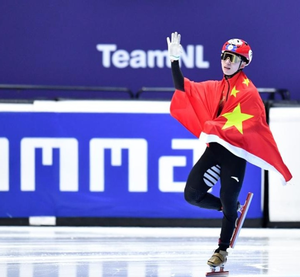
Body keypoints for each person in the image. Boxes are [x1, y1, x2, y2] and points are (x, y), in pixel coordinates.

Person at [166, 32, 292, 268]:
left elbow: (256, 126)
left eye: (233, 59)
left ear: (243, 63)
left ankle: (222, 250)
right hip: (216, 150)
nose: (227, 61)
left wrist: (215, 127)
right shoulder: (216, 87)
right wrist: (174, 61)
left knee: (227, 194)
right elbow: (183, 87)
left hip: (235, 154)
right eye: (225, 56)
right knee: (192, 195)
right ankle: (231, 209)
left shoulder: (249, 92)